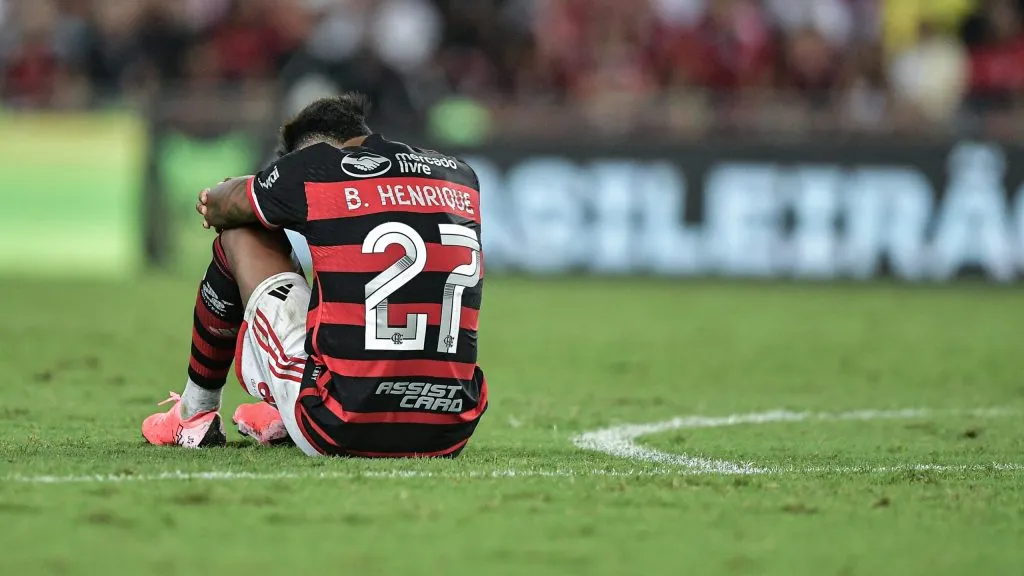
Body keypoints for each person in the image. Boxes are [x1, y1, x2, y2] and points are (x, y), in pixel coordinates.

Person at [141, 93, 487, 457]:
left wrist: (244, 189)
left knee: (241, 233)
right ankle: (280, 413)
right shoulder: (461, 174)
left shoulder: (313, 166)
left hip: (341, 424)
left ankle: (194, 414)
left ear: (311, 146)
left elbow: (221, 205)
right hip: (450, 430)